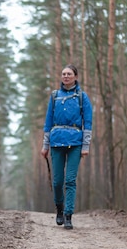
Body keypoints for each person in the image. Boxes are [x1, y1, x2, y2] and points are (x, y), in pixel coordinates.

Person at [40, 64, 93, 229]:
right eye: (63, 74)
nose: (66, 76)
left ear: (75, 77)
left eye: (69, 74)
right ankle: (59, 209)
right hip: (56, 143)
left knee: (70, 180)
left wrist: (86, 146)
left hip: (76, 143)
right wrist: (45, 145)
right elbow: (48, 121)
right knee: (57, 182)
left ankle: (69, 215)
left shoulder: (82, 97)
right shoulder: (54, 96)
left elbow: (88, 123)